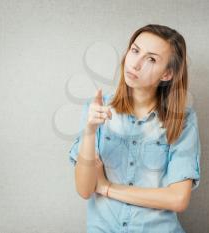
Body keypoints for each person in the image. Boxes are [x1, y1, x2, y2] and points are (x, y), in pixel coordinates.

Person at [68, 24, 201, 233]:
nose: (136, 64)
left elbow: (178, 199)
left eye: (151, 59)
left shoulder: (182, 121)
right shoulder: (97, 108)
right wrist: (90, 131)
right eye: (135, 50)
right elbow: (84, 190)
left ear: (167, 74)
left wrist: (107, 188)